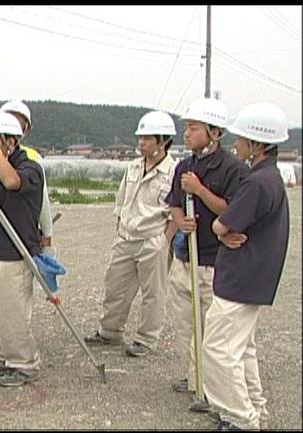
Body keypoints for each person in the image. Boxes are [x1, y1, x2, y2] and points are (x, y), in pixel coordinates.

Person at [204, 102, 290, 431]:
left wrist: (219, 231)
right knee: (242, 349)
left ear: (256, 144)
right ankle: (253, 409)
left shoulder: (256, 183)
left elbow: (221, 226)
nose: (235, 144)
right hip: (255, 278)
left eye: (240, 139)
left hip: (240, 278)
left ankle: (240, 418)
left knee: (219, 348)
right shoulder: (272, 178)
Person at [163, 98, 249, 412]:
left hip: (213, 262)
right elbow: (173, 202)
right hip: (184, 258)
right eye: (186, 127)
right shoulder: (183, 167)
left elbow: (232, 212)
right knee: (186, 324)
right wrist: (178, 219)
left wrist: (200, 191)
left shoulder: (232, 169)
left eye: (194, 127)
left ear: (214, 132)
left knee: (211, 330)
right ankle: (194, 376)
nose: (187, 133)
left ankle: (212, 388)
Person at [83, 111, 177, 357]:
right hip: (126, 238)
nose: (141, 143)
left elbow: (175, 212)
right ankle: (110, 332)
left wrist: (163, 241)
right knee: (115, 286)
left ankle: (146, 339)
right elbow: (121, 200)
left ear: (163, 140)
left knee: (153, 293)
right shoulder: (133, 167)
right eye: (140, 138)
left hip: (152, 239)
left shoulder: (174, 172)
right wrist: (120, 228)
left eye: (147, 138)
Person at [0, 111, 44, 387]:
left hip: (16, 253)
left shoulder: (29, 168)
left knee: (12, 311)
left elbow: (11, 182)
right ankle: (4, 356)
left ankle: (24, 364)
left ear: (10, 142)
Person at [0, 100, 55, 256]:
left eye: (19, 123)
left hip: (18, 231)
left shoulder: (32, 158)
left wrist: (47, 232)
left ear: (26, 130)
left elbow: (42, 199)